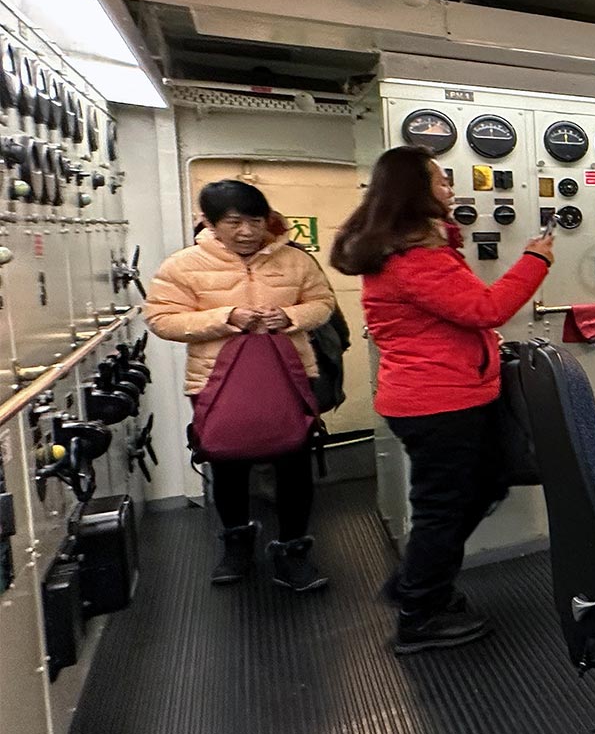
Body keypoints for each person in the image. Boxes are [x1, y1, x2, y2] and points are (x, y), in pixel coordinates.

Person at [330, 146, 553, 656]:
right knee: (443, 510)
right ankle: (419, 614)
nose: (450, 189)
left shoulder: (412, 250)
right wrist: (535, 260)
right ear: (416, 191)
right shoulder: (414, 259)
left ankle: (418, 581)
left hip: (445, 395)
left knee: (484, 484)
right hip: (438, 402)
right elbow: (486, 307)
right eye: (440, 181)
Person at [147, 180, 338, 592]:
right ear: (211, 224)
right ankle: (236, 544)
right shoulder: (183, 265)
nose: (248, 231)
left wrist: (289, 317)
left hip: (290, 377)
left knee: (294, 465)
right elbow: (162, 318)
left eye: (256, 220)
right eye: (235, 222)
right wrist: (225, 317)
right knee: (227, 464)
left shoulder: (296, 261)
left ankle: (293, 550)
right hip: (216, 382)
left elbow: (323, 304)